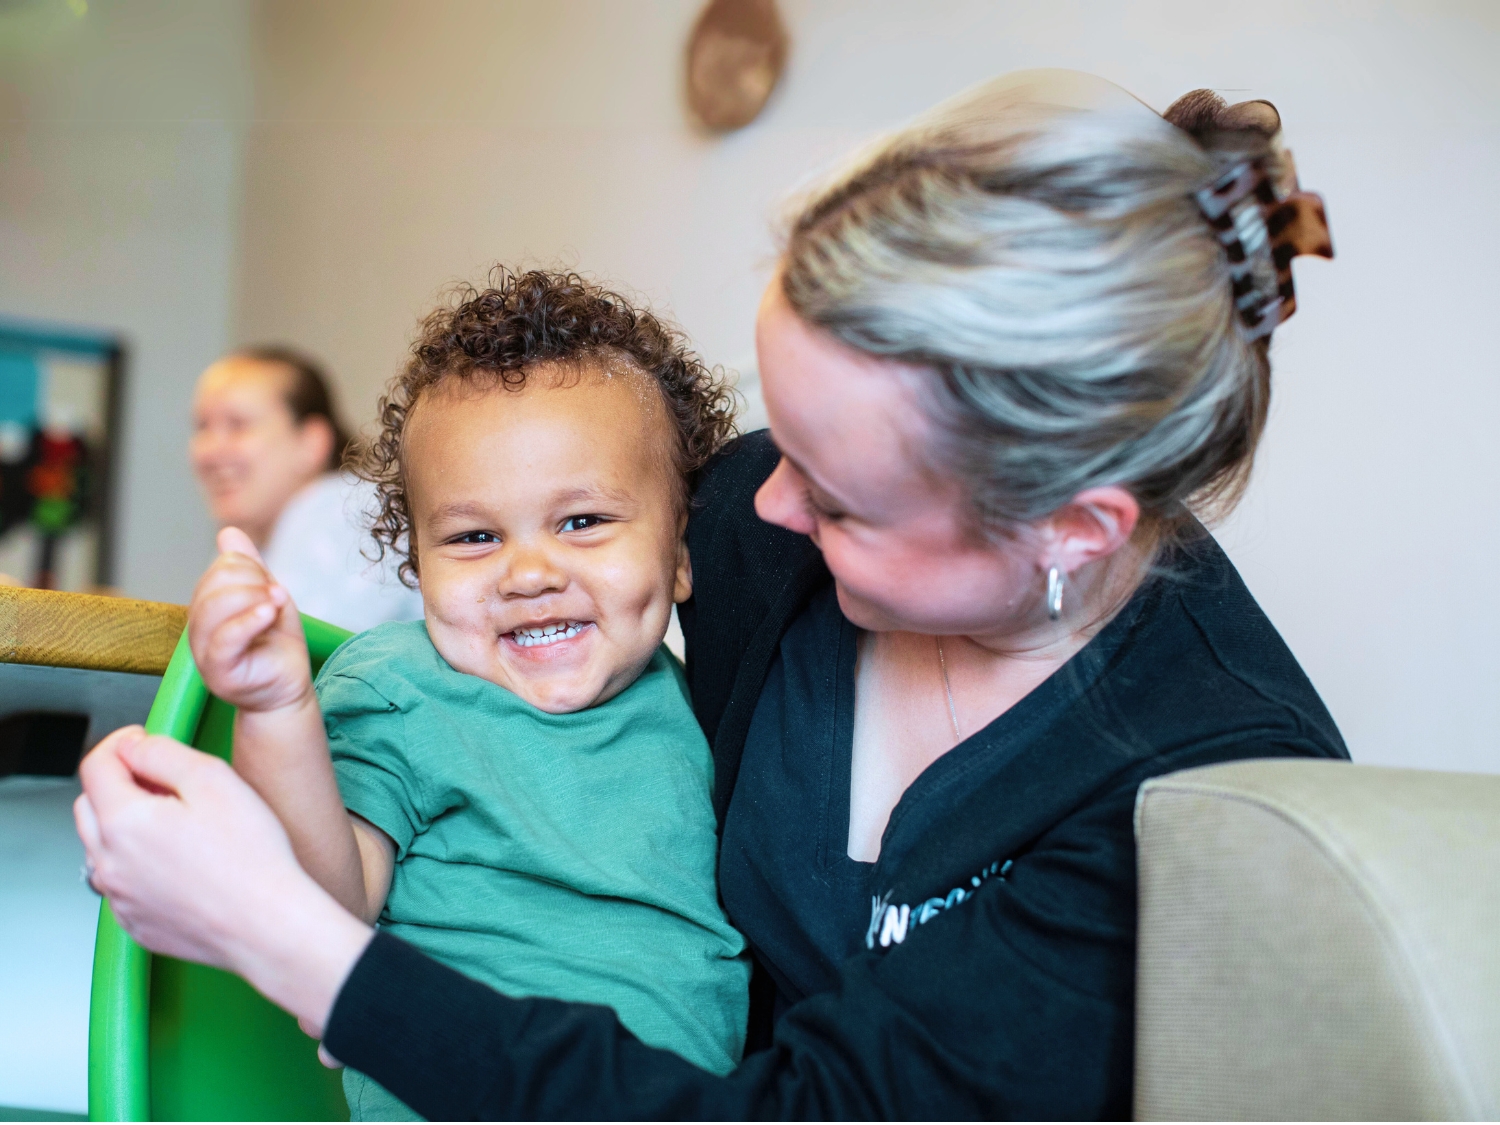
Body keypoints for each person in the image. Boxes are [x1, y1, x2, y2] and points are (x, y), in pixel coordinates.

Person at [76, 71, 1345, 1117]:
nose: (763, 505)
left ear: (1071, 526)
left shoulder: (1206, 807)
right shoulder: (750, 524)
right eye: (776, 436)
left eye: (840, 497)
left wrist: (299, 950)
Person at [186, 273, 748, 1118]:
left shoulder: (696, 697)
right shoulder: (400, 688)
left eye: (583, 521)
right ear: (418, 564)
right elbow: (320, 907)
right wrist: (275, 710)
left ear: (678, 551)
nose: (528, 572)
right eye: (475, 536)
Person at [190, 346, 423, 633]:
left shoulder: (342, 511)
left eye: (238, 425)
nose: (210, 451)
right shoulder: (254, 540)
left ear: (311, 443)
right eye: (201, 427)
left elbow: (284, 649)